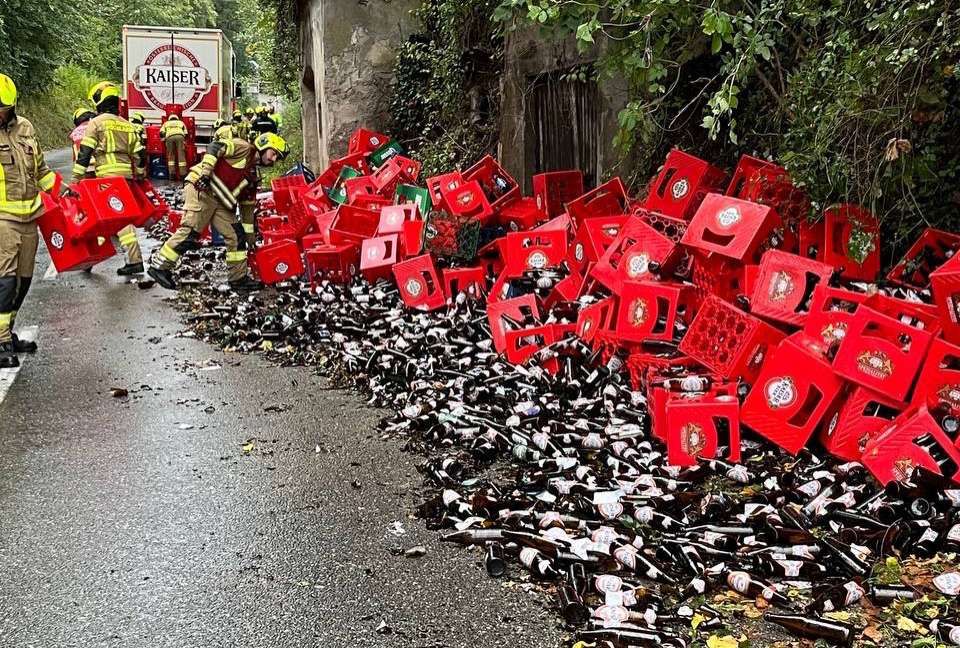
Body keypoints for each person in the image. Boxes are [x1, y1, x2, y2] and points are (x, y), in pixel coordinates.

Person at [148, 133, 288, 292]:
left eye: (277, 157)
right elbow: (215, 147)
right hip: (201, 187)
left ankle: (238, 279)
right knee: (191, 232)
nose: (274, 159)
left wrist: (251, 241)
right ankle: (159, 267)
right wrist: (206, 173)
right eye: (274, 153)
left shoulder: (253, 176)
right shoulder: (242, 148)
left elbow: (247, 211)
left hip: (220, 200)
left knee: (236, 235)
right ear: (264, 145)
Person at [0, 74, 58, 368]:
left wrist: (64, 191)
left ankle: (7, 332)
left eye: (3, 107)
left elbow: (42, 170)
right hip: (2, 219)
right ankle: (0, 342)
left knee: (23, 281)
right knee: (5, 281)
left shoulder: (26, 129)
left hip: (29, 217)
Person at [72, 82, 146, 276]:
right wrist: (139, 173)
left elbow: (85, 152)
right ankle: (91, 258)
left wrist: (77, 178)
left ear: (100, 101)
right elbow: (140, 154)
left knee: (116, 220)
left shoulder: (96, 123)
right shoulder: (127, 125)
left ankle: (134, 260)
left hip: (107, 178)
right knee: (106, 217)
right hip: (126, 178)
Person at [159, 114, 188, 180]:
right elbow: (186, 133)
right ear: (177, 118)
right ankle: (183, 175)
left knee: (171, 155)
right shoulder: (181, 122)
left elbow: (161, 132)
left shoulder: (166, 123)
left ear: (170, 118)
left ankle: (172, 174)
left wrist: (163, 138)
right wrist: (184, 141)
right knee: (181, 154)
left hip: (169, 137)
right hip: (180, 136)